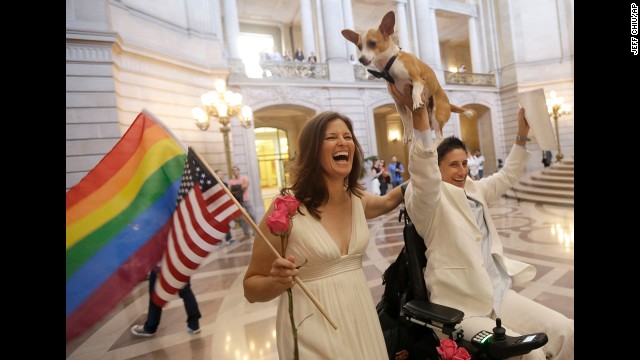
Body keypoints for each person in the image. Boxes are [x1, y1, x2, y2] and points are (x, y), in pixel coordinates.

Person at [389, 83, 574, 360]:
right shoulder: (427, 200)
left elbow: (507, 176)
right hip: (460, 306)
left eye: (464, 163)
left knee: (565, 330)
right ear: (437, 168)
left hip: (496, 294)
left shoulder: (474, 190)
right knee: (531, 355)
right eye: (453, 165)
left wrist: (522, 136)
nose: (462, 171)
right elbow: (423, 172)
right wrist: (421, 123)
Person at [242, 111, 405, 359]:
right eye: (331, 137)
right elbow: (250, 288)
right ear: (312, 151)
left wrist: (431, 174)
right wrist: (275, 282)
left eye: (347, 136)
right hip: (310, 327)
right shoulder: (286, 208)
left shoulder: (357, 199)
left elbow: (389, 200)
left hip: (360, 320)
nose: (343, 142)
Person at [130, 263, 202, 337]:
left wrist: (156, 268)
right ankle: (194, 324)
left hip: (161, 266)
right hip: (179, 263)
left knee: (155, 296)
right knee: (186, 293)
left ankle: (150, 327)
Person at [228, 165, 256, 240]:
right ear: (232, 172)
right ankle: (246, 234)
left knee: (252, 214)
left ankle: (256, 230)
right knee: (242, 218)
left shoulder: (244, 178)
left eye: (236, 170)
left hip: (246, 199)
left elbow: (245, 186)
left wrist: (235, 188)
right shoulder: (231, 181)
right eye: (233, 170)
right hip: (238, 201)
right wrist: (240, 187)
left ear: (239, 171)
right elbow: (230, 191)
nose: (235, 171)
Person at [215, 169, 235, 245]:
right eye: (220, 173)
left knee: (226, 223)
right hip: (215, 207)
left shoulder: (225, 184)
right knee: (217, 224)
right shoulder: (211, 185)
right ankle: (218, 240)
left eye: (222, 174)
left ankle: (229, 238)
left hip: (223, 206)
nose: (221, 175)